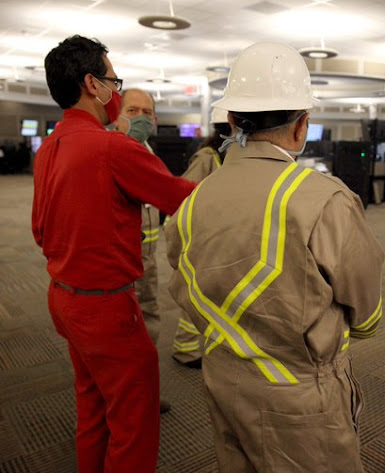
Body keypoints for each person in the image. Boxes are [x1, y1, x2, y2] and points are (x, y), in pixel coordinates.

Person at [165, 42, 385, 473]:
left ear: (230, 121)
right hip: (300, 396)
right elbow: (366, 307)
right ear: (302, 126)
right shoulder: (325, 199)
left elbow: (183, 283)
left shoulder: (194, 200)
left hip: (223, 377)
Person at [31, 35, 196, 473]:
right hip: (106, 309)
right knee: (134, 423)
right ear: (92, 84)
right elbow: (186, 199)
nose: (116, 93)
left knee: (93, 410)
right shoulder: (112, 148)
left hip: (64, 297)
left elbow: (38, 229)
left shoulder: (48, 147)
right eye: (112, 80)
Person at [114, 88, 170, 412]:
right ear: (117, 116)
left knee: (149, 325)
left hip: (147, 260)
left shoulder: (149, 155)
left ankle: (144, 394)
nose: (141, 118)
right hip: (119, 266)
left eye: (147, 113)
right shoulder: (109, 152)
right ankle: (125, 402)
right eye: (132, 111)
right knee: (121, 338)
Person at [171, 110, 230, 369]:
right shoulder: (207, 156)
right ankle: (186, 349)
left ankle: (201, 345)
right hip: (200, 237)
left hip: (218, 236)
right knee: (197, 293)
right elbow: (184, 195)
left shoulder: (228, 156)